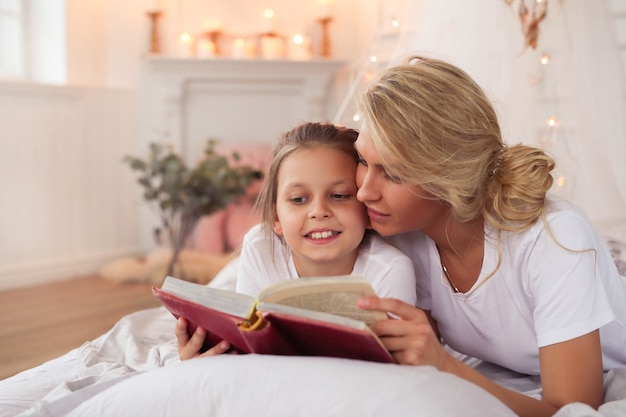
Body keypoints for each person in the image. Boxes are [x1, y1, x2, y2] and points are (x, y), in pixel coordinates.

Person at [352, 55, 626, 416]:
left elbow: (572, 410)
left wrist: (444, 365)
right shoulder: (399, 232)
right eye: (363, 162)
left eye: (393, 174)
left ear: (447, 176)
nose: (364, 192)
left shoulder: (554, 238)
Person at [176, 122, 417, 360]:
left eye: (339, 195)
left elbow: (394, 365)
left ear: (366, 208)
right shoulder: (260, 247)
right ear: (275, 218)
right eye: (299, 199)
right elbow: (245, 343)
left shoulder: (390, 270)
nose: (319, 211)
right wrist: (205, 358)